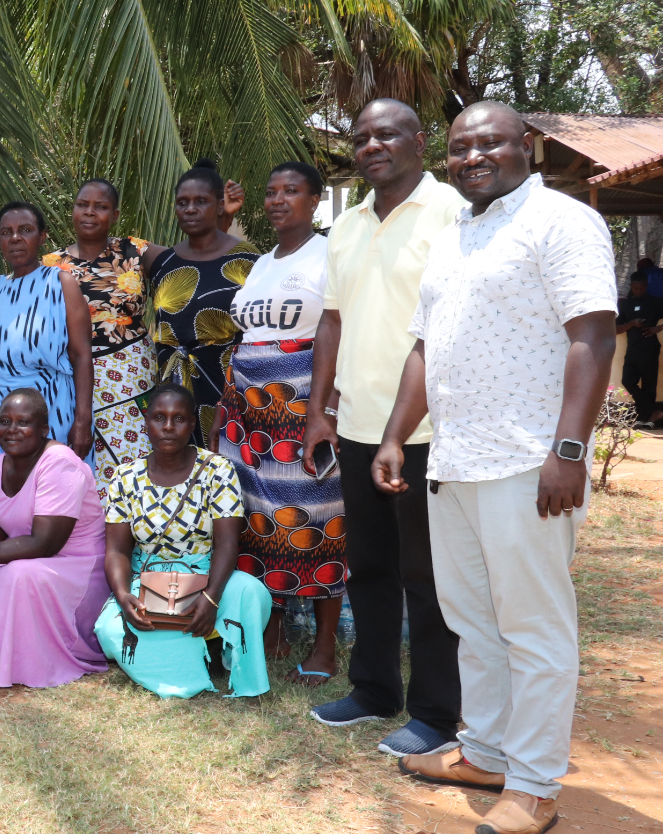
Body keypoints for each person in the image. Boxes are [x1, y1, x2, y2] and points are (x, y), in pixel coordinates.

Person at [379, 101, 617, 834]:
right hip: (454, 463)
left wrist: (569, 450)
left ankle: (537, 785)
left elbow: (593, 335)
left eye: (490, 143)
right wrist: (395, 436)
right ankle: (484, 752)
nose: (473, 157)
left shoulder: (562, 222)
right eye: (460, 147)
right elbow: (427, 346)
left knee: (535, 629)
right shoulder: (458, 233)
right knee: (472, 621)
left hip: (527, 462)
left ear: (528, 147)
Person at [300, 98, 467, 757]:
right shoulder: (346, 225)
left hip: (429, 429)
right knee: (368, 565)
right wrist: (319, 408)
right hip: (360, 426)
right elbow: (332, 322)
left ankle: (434, 711)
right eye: (362, 135)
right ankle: (372, 690)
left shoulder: (453, 211)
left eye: (387, 134)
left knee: (427, 576)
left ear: (419, 142)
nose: (372, 145)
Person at [212, 162, 346, 686]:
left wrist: (326, 411)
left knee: (318, 518)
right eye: (270, 192)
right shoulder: (263, 262)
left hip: (302, 405)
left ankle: (326, 643)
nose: (277, 200)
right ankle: (271, 630)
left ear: (315, 200)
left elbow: (340, 333)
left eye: (291, 191)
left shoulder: (329, 254)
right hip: (249, 413)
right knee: (256, 519)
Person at [43, 178, 245, 493]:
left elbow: (194, 261)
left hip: (133, 375)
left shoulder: (135, 250)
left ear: (116, 214)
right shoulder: (52, 266)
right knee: (79, 460)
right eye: (83, 205)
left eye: (101, 207)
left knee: (135, 459)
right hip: (76, 377)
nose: (90, 213)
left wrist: (223, 220)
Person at [93, 383, 271, 698]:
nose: (168, 427)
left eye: (178, 419)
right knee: (109, 631)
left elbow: (227, 544)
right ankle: (198, 660)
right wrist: (122, 596)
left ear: (191, 424)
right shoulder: (124, 477)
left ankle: (207, 650)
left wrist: (213, 597)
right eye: (159, 418)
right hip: (149, 581)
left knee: (251, 592)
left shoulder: (217, 469)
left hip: (206, 576)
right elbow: (117, 551)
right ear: (145, 422)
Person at [0, 389, 111, 688]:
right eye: (5, 421)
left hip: (80, 570)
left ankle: (30, 665)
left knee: (19, 574)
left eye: (23, 422)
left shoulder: (60, 464)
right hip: (34, 563)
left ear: (44, 429)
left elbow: (45, 544)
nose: (12, 430)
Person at [0, 201, 93, 545]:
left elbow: (82, 356)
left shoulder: (61, 283)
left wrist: (83, 422)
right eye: (6, 232)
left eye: (25, 230)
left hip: (51, 415)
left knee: (47, 515)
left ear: (43, 237)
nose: (16, 238)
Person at [144, 160, 261, 446]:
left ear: (220, 206)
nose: (190, 209)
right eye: (182, 202)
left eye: (201, 201)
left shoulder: (249, 260)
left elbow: (255, 333)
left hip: (226, 388)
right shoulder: (162, 262)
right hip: (171, 393)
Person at [617, 274, 663, 427]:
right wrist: (631, 324)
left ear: (646, 286)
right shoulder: (625, 305)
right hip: (633, 349)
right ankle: (653, 412)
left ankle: (646, 419)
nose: (638, 290)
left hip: (650, 347)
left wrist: (658, 328)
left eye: (642, 287)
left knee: (649, 385)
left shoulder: (655, 302)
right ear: (631, 286)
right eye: (636, 288)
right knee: (627, 380)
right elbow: (616, 329)